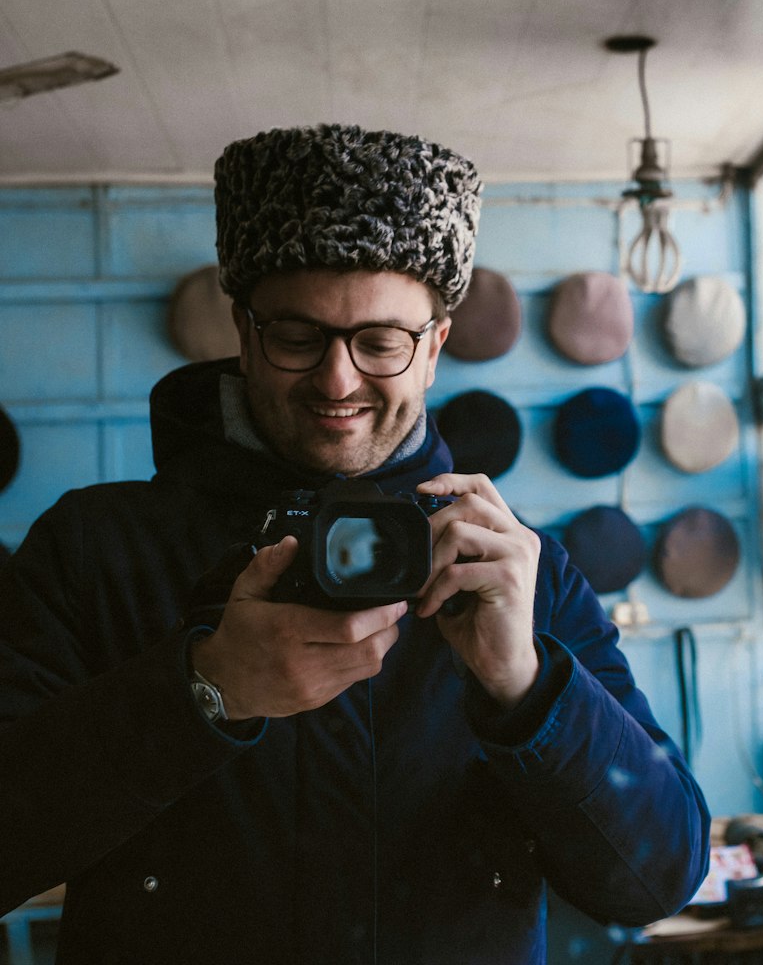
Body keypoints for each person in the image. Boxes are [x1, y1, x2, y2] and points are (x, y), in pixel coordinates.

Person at [0, 123, 710, 964]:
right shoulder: (94, 550)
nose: (338, 382)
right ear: (244, 329)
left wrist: (527, 687)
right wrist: (202, 693)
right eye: (298, 338)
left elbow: (658, 879)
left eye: (380, 341)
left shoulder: (521, 572)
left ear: (437, 345)